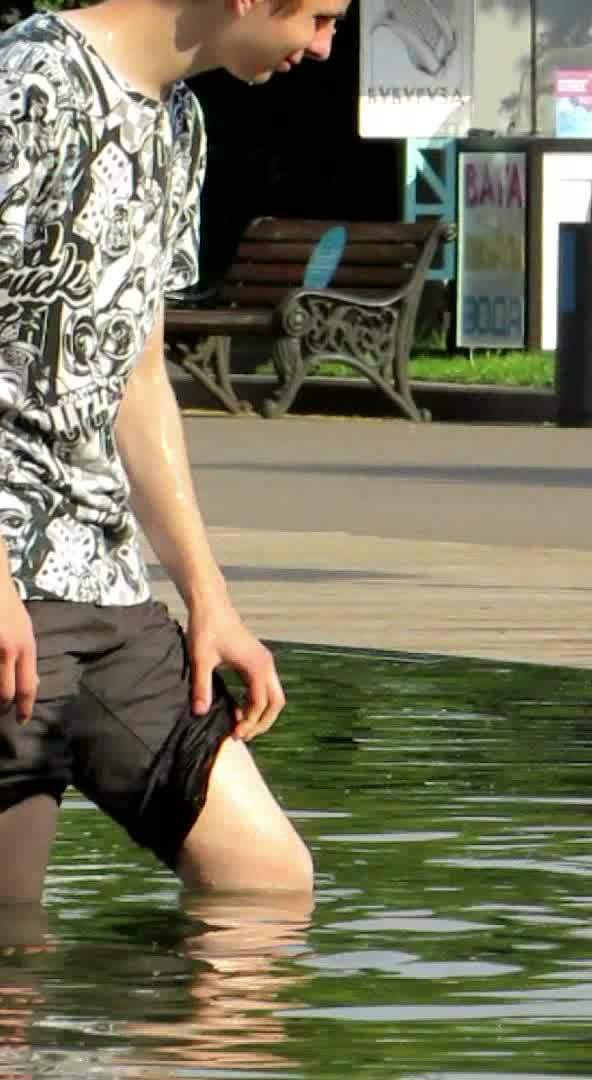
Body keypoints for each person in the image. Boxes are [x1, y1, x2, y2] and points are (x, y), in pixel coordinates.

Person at [0, 0, 345, 904]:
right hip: (8, 592)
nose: (323, 47)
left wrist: (208, 596)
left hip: (108, 591)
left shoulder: (179, 121)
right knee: (12, 939)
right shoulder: (27, 83)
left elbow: (140, 373)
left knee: (267, 884)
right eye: (318, 16)